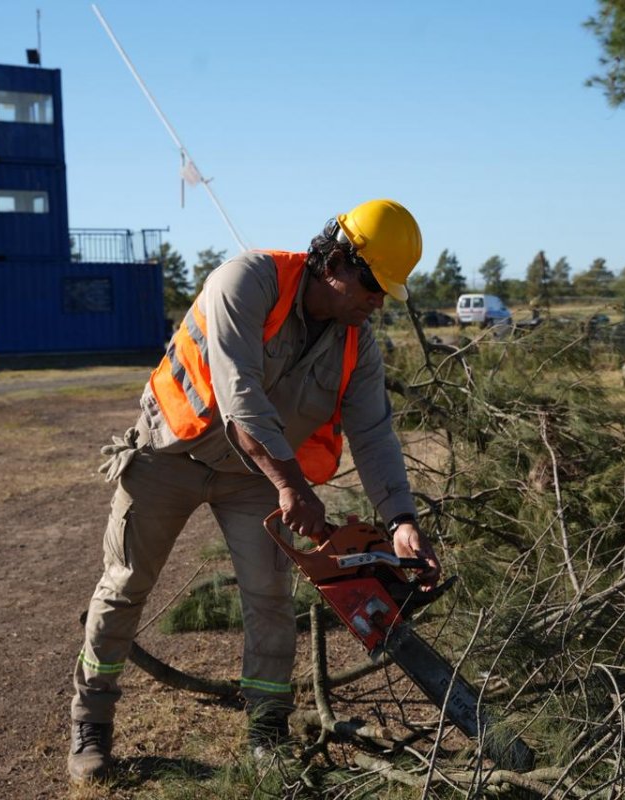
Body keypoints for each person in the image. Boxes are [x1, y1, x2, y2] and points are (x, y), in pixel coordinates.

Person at [67, 198, 442, 783]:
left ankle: (267, 733)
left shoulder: (356, 341)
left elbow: (373, 433)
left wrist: (401, 521)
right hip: (173, 452)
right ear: (335, 263)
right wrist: (293, 485)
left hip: (255, 476)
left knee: (269, 598)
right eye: (373, 285)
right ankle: (91, 722)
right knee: (126, 584)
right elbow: (238, 394)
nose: (378, 302)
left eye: (387, 292)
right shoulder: (245, 282)